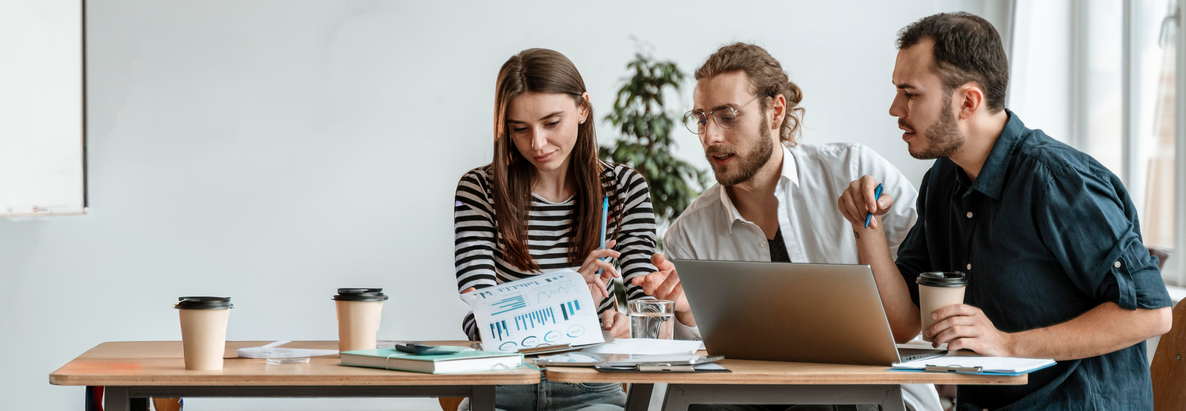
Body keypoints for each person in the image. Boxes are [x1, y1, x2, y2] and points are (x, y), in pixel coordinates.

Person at [837, 12, 1174, 410]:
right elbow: (903, 322)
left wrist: (1008, 345)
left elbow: (1151, 314)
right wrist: (866, 226)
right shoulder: (942, 181)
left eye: (910, 94)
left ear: (968, 102)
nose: (895, 109)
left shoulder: (1057, 180)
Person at [632, 42, 941, 411]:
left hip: (869, 392)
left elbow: (927, 290)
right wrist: (685, 313)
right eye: (701, 118)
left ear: (775, 111)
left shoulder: (855, 170)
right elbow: (687, 372)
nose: (710, 136)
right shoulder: (687, 235)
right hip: (749, 399)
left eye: (727, 116)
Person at [453, 47, 674, 411]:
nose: (537, 144)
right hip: (503, 383)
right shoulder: (479, 190)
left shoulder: (623, 188)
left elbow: (647, 306)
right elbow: (481, 319)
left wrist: (629, 324)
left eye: (552, 123)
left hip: (590, 386)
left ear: (583, 109)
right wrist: (569, 297)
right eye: (519, 129)